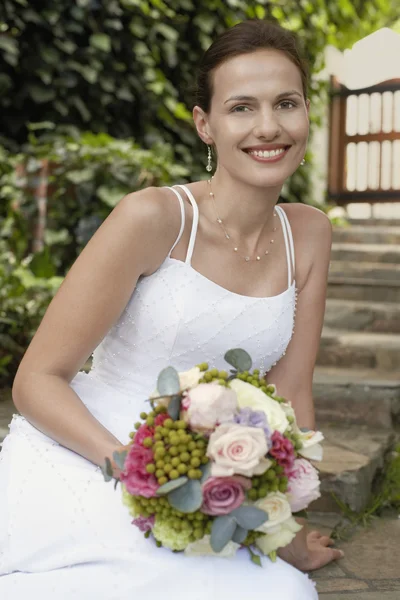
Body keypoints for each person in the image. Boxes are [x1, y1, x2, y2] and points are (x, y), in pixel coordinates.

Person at [0, 19, 343, 599]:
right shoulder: (153, 218)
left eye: (286, 103)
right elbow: (36, 380)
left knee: (283, 593)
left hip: (207, 471)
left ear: (308, 112)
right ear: (204, 124)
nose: (269, 127)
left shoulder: (307, 233)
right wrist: (134, 469)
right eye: (241, 107)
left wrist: (286, 526)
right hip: (90, 451)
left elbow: (292, 391)